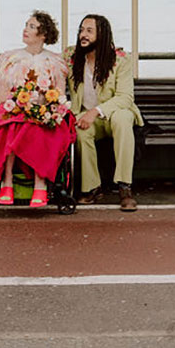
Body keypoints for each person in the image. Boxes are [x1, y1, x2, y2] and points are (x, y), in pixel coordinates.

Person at [0, 11, 76, 207]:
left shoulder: (55, 62)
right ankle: (6, 182)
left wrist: (47, 108)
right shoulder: (10, 59)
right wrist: (22, 106)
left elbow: (59, 93)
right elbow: (2, 97)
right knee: (14, 125)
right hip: (13, 108)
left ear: (43, 35)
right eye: (26, 25)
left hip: (43, 110)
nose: (25, 29)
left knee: (43, 127)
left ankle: (40, 183)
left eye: (32, 26)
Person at [65, 14, 142, 212]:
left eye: (89, 31)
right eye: (82, 30)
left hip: (115, 113)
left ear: (103, 34)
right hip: (89, 116)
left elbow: (125, 97)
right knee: (81, 129)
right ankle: (92, 187)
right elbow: (48, 65)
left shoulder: (121, 61)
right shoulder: (72, 58)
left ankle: (125, 187)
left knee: (123, 119)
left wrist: (96, 111)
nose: (83, 35)